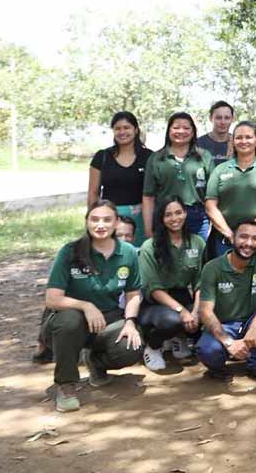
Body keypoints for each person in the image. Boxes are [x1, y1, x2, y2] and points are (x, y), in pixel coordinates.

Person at [42, 201, 144, 412]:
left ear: (116, 223)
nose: (100, 225)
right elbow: (52, 298)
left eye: (107, 220)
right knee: (70, 320)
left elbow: (133, 294)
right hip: (66, 322)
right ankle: (66, 385)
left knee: (131, 345)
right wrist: (86, 305)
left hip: (107, 320)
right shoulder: (70, 252)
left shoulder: (128, 253)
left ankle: (96, 363)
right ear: (87, 222)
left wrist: (130, 323)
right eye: (94, 219)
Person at [196, 220, 256, 383]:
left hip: (250, 320)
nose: (249, 243)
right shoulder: (212, 268)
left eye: (255, 238)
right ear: (233, 238)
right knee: (207, 350)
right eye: (243, 237)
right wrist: (229, 343)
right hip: (223, 325)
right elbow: (205, 311)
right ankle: (219, 368)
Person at [137, 197, 206, 371]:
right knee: (172, 320)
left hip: (183, 295)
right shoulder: (149, 247)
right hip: (156, 303)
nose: (174, 218)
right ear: (160, 218)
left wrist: (196, 311)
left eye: (178, 212)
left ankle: (178, 339)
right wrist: (182, 312)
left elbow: (201, 281)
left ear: (185, 213)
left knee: (208, 315)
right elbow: (153, 289)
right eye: (168, 215)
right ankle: (153, 346)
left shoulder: (197, 242)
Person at [205, 122, 256, 265]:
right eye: (239, 138)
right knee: (230, 285)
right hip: (227, 241)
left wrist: (250, 230)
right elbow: (210, 206)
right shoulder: (220, 169)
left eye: (248, 137)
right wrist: (231, 235)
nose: (243, 141)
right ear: (233, 141)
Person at [142, 112, 214, 242]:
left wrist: (212, 224)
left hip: (198, 217)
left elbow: (212, 195)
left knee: (197, 257)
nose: (181, 131)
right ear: (169, 131)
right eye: (176, 127)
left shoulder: (204, 156)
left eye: (186, 128)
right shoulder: (156, 158)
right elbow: (148, 197)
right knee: (167, 259)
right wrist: (148, 230)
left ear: (193, 132)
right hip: (166, 216)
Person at [89, 111, 153, 244]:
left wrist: (150, 227)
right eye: (117, 128)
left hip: (141, 219)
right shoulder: (102, 157)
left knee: (137, 258)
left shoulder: (149, 157)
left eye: (126, 127)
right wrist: (92, 220)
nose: (122, 132)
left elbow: (153, 194)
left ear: (135, 130)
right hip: (110, 218)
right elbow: (93, 192)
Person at [198, 100, 234, 166]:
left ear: (232, 119)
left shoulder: (238, 143)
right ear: (211, 118)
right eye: (218, 118)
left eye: (227, 118)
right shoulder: (198, 144)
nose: (223, 122)